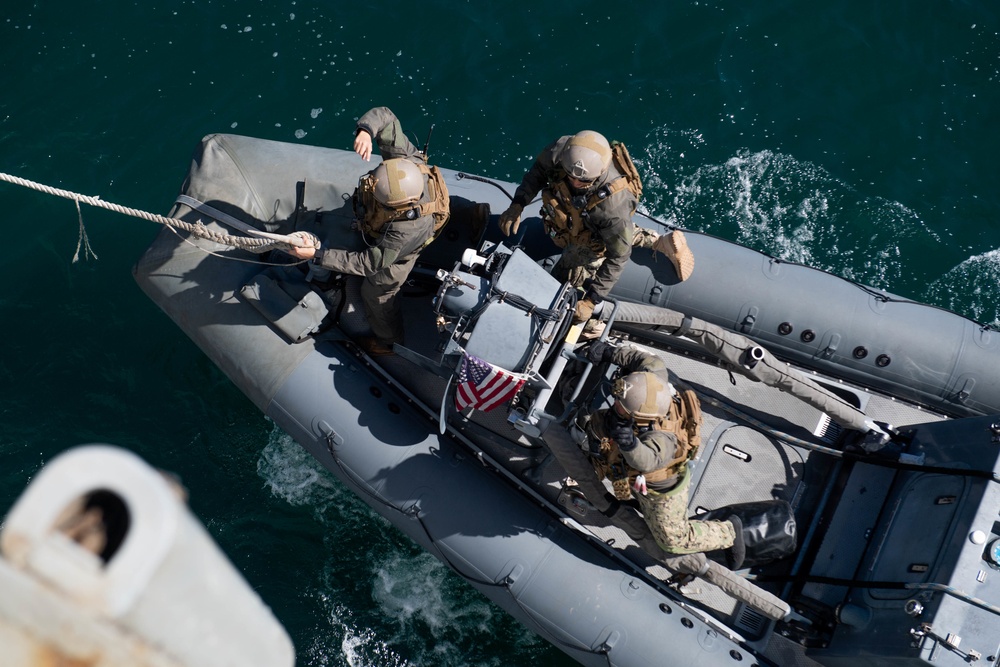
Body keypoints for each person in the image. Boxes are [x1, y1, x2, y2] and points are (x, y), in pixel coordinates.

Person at [290, 106, 449, 356]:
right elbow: (385, 116)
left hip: (400, 254)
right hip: (414, 221)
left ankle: (388, 342)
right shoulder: (408, 161)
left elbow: (368, 264)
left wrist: (318, 255)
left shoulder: (404, 232)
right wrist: (365, 131)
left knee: (376, 292)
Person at [497, 130, 694, 326]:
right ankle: (660, 241)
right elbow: (538, 172)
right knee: (602, 230)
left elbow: (619, 256)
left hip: (593, 227)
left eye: (583, 180)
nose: (575, 182)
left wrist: (591, 301)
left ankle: (592, 327)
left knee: (565, 274)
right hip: (575, 212)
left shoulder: (612, 207)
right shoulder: (562, 151)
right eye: (571, 175)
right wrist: (518, 204)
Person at [579, 340, 745, 566]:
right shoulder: (652, 381)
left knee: (672, 540)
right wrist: (610, 353)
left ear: (639, 419)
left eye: (622, 406)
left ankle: (728, 532)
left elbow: (646, 461)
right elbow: (647, 361)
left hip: (661, 487)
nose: (616, 403)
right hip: (631, 453)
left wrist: (627, 442)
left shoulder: (663, 440)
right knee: (601, 431)